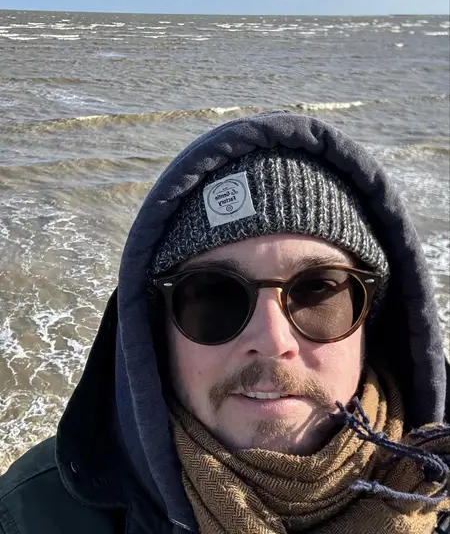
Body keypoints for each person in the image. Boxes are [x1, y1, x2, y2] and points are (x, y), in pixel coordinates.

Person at [0, 110, 449, 534]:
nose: (272, 339)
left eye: (319, 290)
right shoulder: (28, 516)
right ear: (156, 331)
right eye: (214, 295)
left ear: (371, 318)